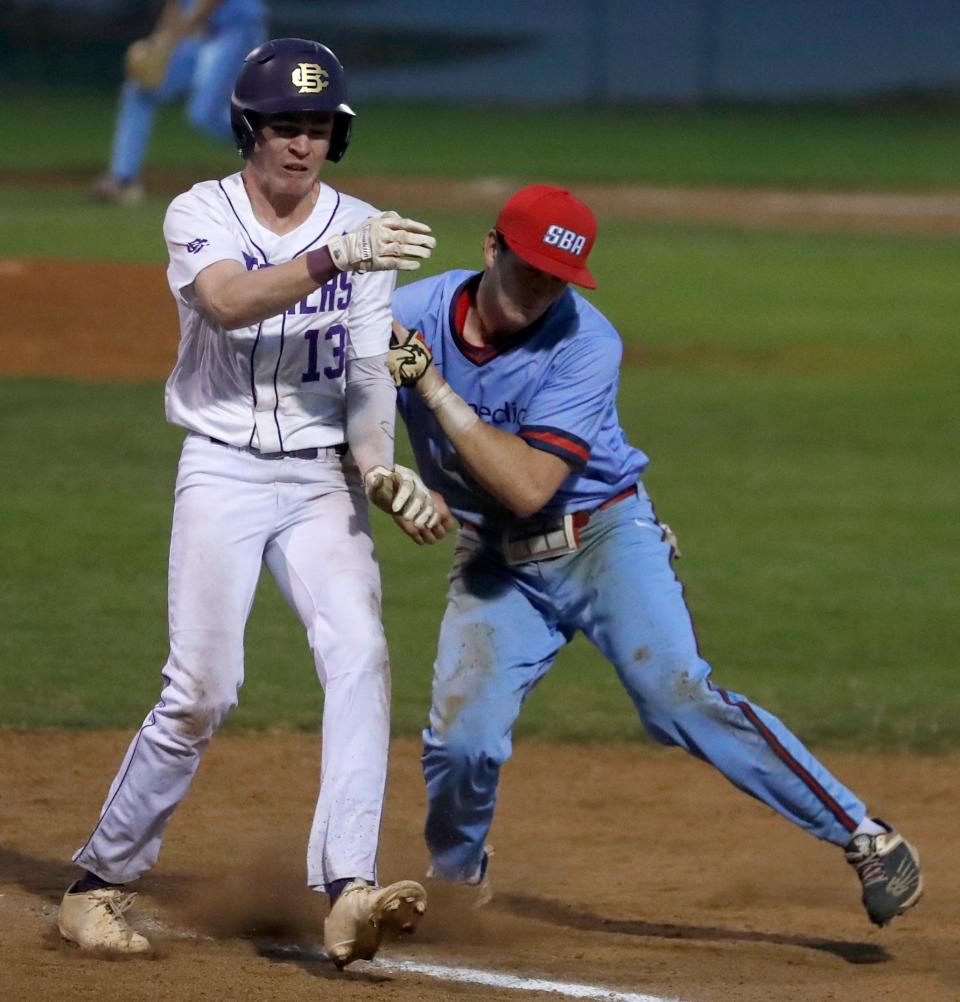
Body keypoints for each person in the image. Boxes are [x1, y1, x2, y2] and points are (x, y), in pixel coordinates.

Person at [386, 183, 924, 928]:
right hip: (496, 560)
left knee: (677, 696)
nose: (541, 292)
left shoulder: (586, 342)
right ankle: (455, 879)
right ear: (490, 249)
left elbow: (530, 483)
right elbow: (320, 398)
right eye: (529, 270)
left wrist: (433, 389)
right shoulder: (409, 313)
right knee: (462, 743)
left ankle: (867, 836)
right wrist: (391, 476)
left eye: (557, 279)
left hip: (603, 540)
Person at [59, 38, 440, 969]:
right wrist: (330, 259)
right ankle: (95, 884)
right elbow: (228, 303)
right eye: (283, 126)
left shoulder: (363, 228)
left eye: (317, 128)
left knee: (361, 655)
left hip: (318, 480)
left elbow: (361, 372)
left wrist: (383, 470)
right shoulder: (201, 211)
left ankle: (350, 886)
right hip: (221, 469)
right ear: (249, 128)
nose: (300, 145)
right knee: (201, 690)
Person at [94, 0, 268, 205]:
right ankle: (122, 179)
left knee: (205, 114)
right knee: (139, 91)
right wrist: (160, 40)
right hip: (198, 32)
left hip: (236, 29)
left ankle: (272, 152)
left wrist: (173, 37)